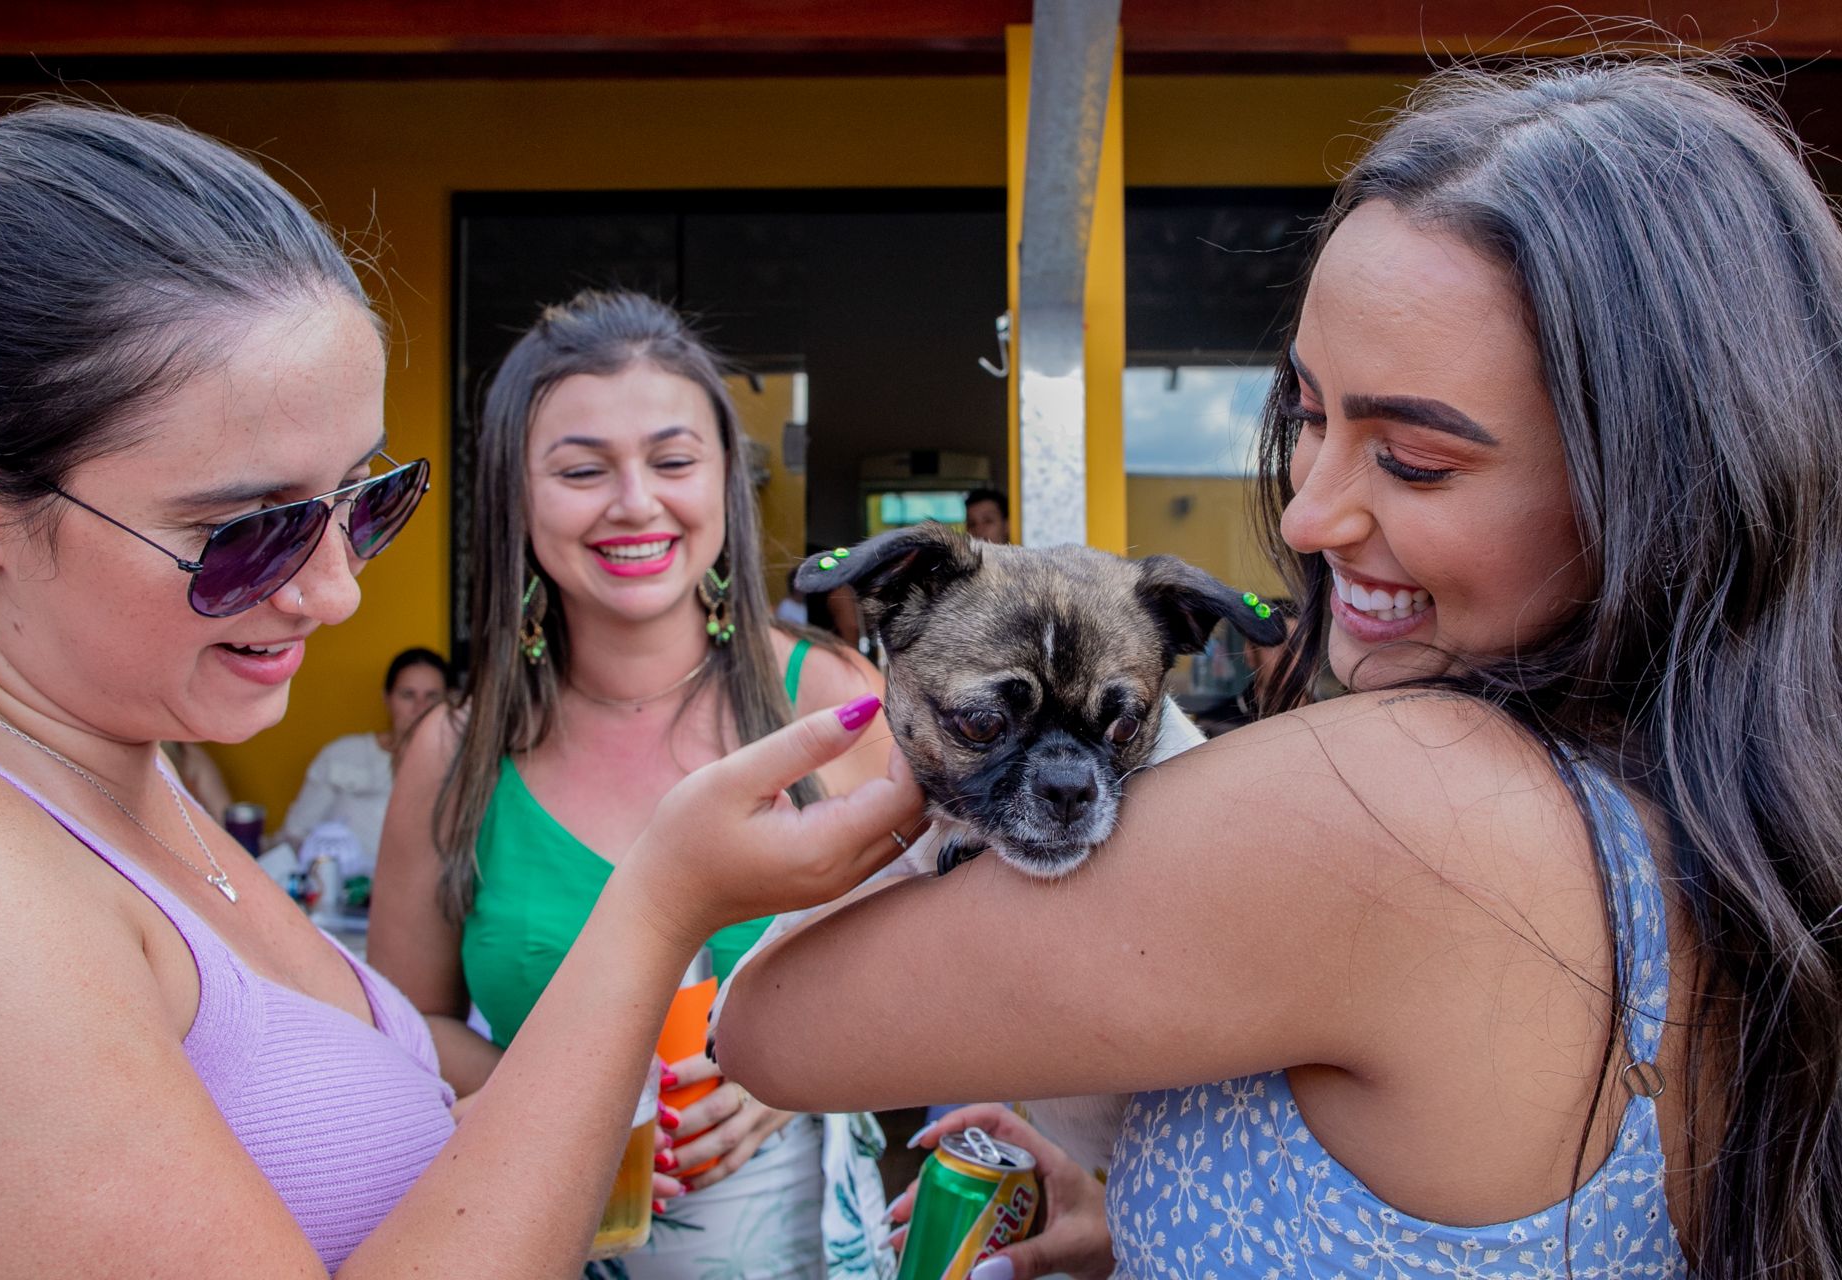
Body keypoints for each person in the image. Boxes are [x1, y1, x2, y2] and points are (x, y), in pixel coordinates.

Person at [718, 59, 1842, 1280]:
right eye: (1306, 413)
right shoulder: (1736, 814)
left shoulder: (1385, 805)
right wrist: (1157, 1209)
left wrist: (746, 859)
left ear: (1660, 491)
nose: (1305, 515)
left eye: (1412, 457)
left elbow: (765, 1026)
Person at [0, 102, 921, 1277]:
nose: (337, 591)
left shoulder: (121, 764)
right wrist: (655, 910)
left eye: (366, 501)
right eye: (251, 529)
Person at [369, 290, 899, 1280]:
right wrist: (586, 1099)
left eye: (672, 459)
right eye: (580, 470)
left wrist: (795, 1072)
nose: (635, 501)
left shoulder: (826, 700)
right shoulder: (453, 749)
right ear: (516, 498)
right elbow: (407, 1029)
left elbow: (929, 965)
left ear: (725, 482)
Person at [278, 646, 451, 870]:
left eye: (432, 696)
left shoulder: (461, 765)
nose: (420, 708)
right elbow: (294, 835)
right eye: (407, 695)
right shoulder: (343, 755)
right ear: (386, 698)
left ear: (449, 701)